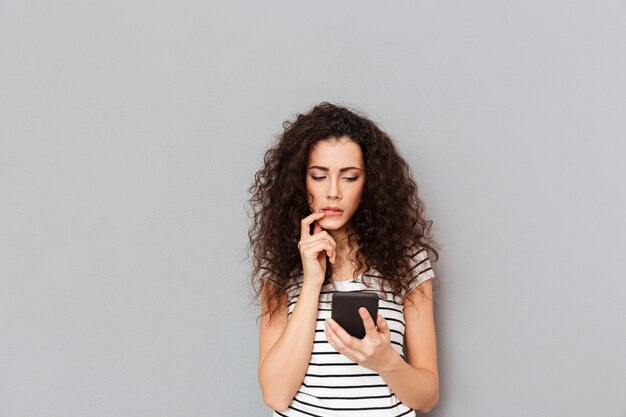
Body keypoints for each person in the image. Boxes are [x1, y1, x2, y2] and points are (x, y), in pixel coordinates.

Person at [246, 102, 440, 416]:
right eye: (319, 176)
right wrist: (311, 281)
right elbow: (276, 395)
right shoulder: (281, 262)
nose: (333, 192)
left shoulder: (408, 261)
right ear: (300, 181)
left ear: (370, 183)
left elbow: (427, 397)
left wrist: (386, 362)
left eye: (349, 177)